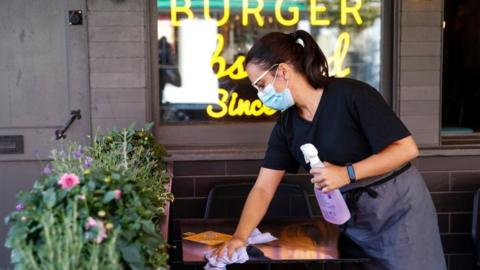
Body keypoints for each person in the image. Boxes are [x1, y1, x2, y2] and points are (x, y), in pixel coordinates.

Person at [211, 30, 447, 270]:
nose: (261, 95)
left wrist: (347, 174)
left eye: (261, 85)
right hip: (351, 219)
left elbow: (406, 149)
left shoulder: (352, 95)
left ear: (282, 71)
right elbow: (263, 188)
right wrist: (240, 237)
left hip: (399, 211)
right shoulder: (287, 125)